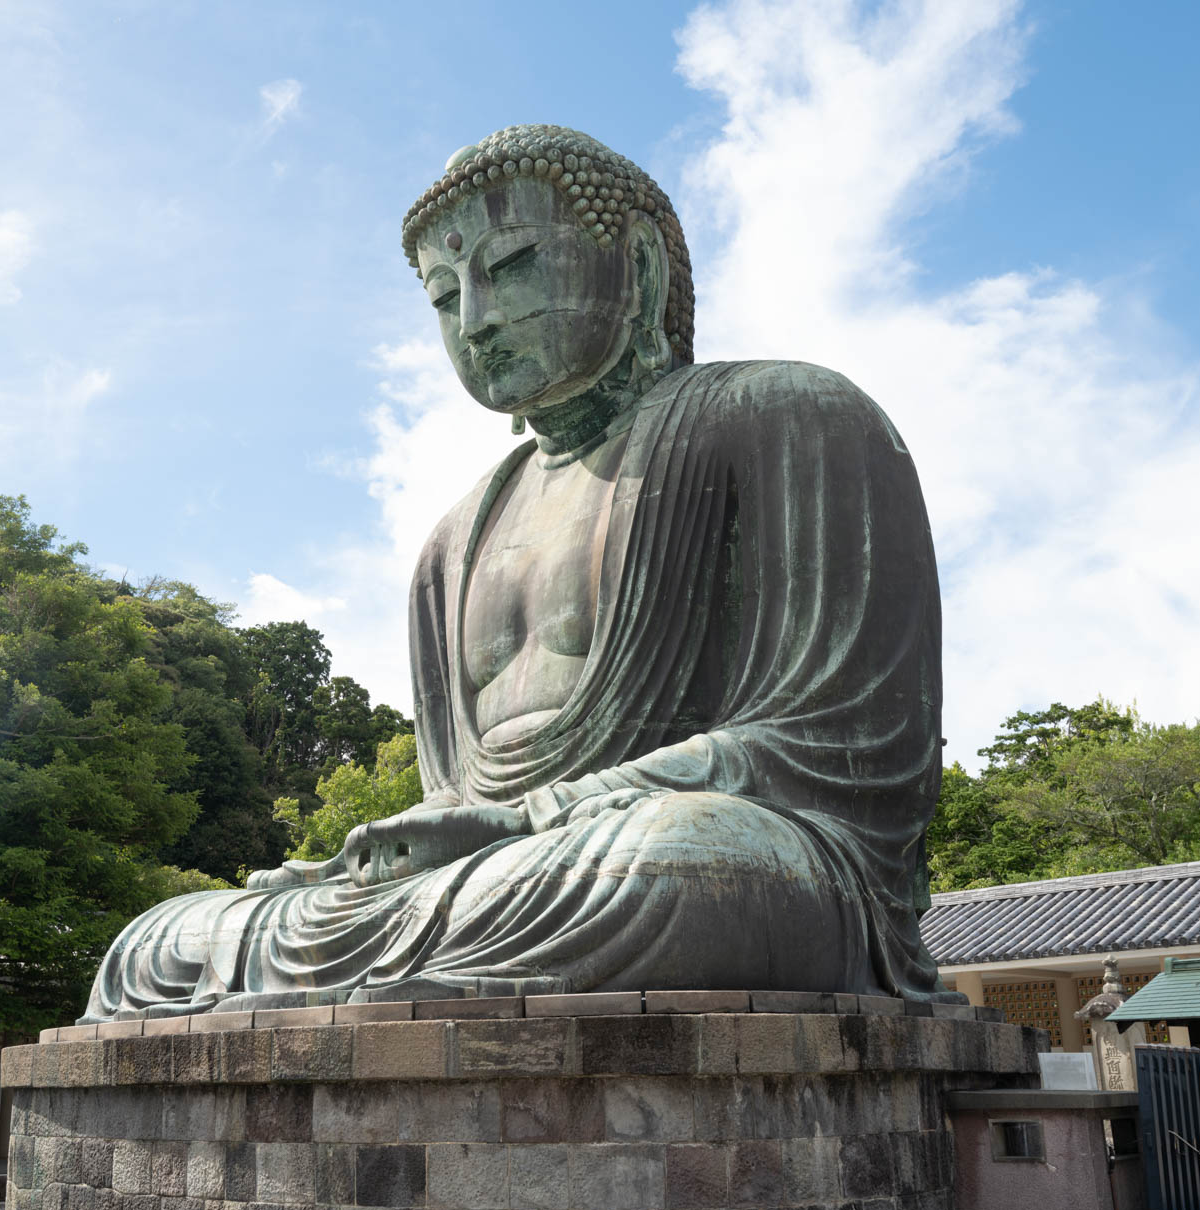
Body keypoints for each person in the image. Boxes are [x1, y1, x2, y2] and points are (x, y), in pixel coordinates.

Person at [84, 124, 950, 1018]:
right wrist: (386, 859)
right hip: (499, 879)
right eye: (446, 296)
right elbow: (454, 797)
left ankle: (390, 969)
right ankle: (363, 967)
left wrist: (534, 819)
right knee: (162, 941)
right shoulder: (448, 545)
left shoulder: (789, 417)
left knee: (690, 867)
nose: (477, 321)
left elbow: (848, 752)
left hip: (684, 857)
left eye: (515, 266)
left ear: (640, 267)